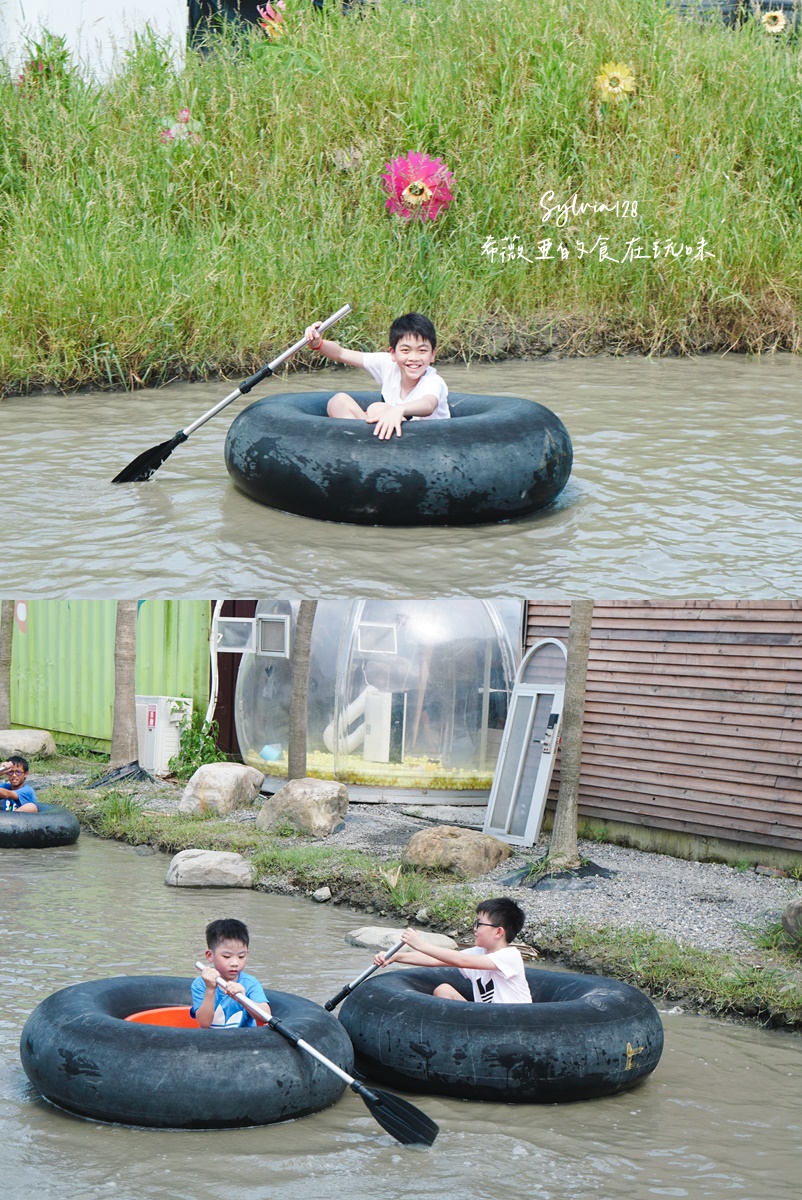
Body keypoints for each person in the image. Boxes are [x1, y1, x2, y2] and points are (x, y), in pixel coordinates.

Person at [304, 311, 450, 440]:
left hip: (422, 443)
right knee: (338, 401)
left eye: (422, 351)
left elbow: (428, 404)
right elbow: (341, 354)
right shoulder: (388, 364)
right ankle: (355, 442)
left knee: (377, 408)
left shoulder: (433, 381)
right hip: (382, 439)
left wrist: (399, 409)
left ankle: (363, 443)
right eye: (405, 350)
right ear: (393, 353)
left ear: (432, 355)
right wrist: (318, 343)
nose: (414, 358)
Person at [373, 897, 533, 1004]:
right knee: (443, 990)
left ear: (498, 932)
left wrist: (421, 944)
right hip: (485, 1018)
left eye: (479, 924)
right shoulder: (478, 952)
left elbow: (461, 960)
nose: (474, 929)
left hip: (513, 1022)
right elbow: (435, 960)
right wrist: (395, 956)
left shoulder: (510, 955)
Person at [190, 918, 271, 1028]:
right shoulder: (200, 984)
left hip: (244, 1040)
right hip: (213, 1041)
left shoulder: (250, 983)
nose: (235, 963)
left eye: (241, 956)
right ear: (210, 955)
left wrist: (243, 999)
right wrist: (210, 989)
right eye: (227, 957)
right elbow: (204, 1023)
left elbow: (266, 1016)